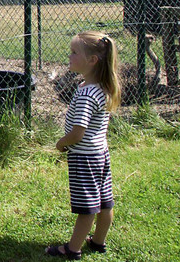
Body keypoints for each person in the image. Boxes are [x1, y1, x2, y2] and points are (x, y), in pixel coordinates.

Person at [45, 31, 121, 260]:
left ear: (92, 60)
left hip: (84, 158)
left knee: (87, 208)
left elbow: (78, 132)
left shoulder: (87, 94)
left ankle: (72, 249)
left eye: (74, 52)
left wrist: (61, 143)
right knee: (105, 202)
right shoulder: (102, 88)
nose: (69, 56)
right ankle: (98, 242)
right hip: (100, 155)